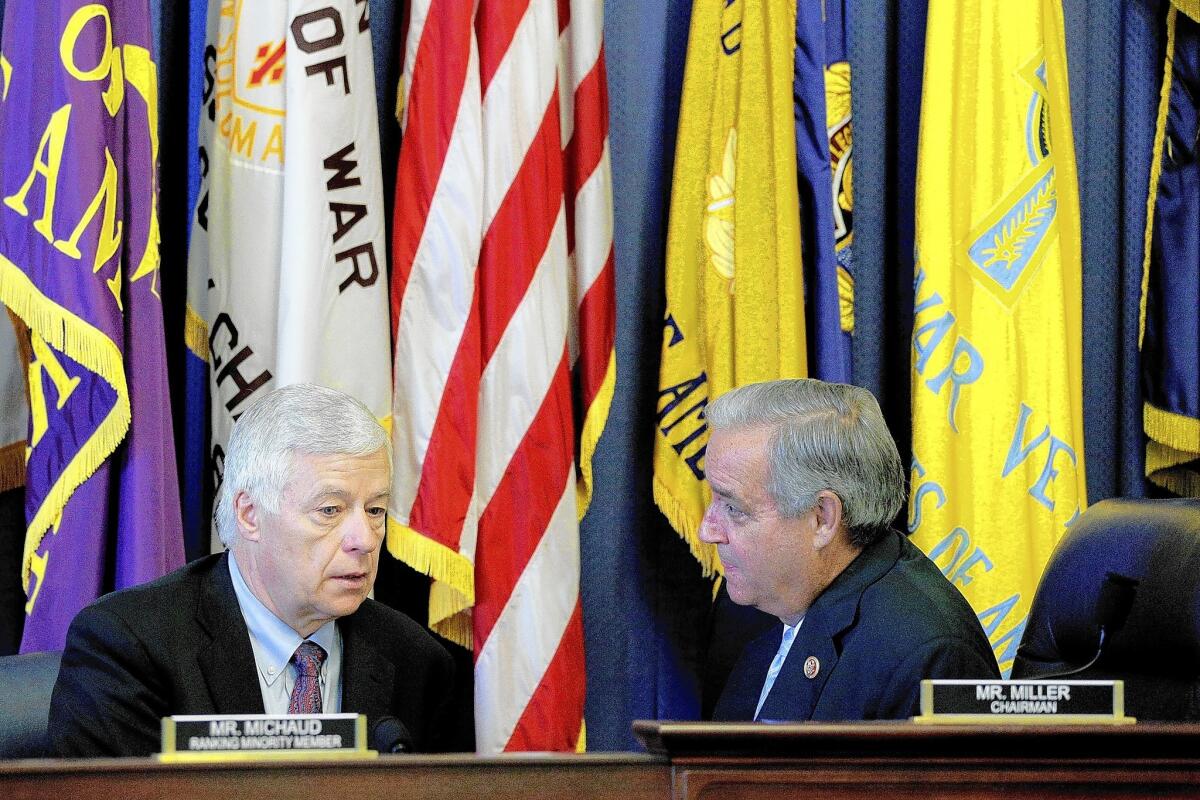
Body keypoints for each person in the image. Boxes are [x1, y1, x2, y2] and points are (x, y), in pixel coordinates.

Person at [50, 384, 461, 757]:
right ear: (249, 514)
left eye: (374, 510)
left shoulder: (417, 662)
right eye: (330, 510)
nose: (365, 540)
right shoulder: (130, 648)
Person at [701, 379, 999, 722]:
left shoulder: (928, 657)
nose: (707, 531)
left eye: (734, 509)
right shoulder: (763, 605)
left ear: (822, 519)